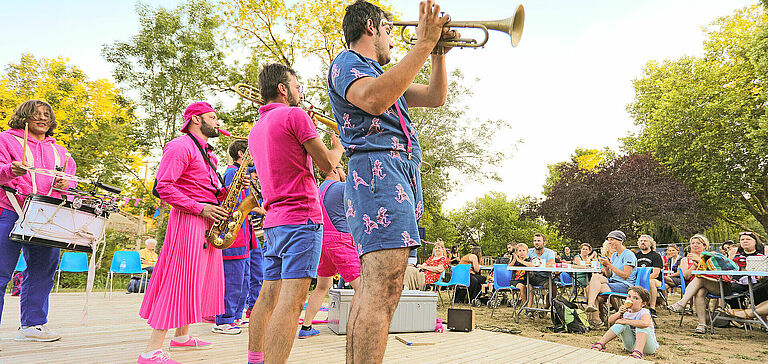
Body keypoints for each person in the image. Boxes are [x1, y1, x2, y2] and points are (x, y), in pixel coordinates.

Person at [326, 1, 456, 362]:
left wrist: (438, 54)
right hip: (377, 177)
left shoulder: (373, 71)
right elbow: (374, 98)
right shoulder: (348, 62)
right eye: (387, 30)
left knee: (375, 289)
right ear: (371, 26)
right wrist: (423, 44)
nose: (391, 40)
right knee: (383, 290)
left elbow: (435, 97)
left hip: (392, 176)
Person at [247, 63, 343, 364]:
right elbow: (328, 166)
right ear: (283, 89)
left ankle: (255, 359)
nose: (301, 92)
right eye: (297, 86)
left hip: (274, 223)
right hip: (301, 219)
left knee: (267, 298)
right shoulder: (295, 115)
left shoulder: (256, 129)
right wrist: (337, 148)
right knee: (291, 304)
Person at [137, 102, 228, 364]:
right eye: (213, 117)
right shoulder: (180, 146)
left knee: (197, 279)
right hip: (189, 219)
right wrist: (200, 209)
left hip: (206, 220)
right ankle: (151, 350)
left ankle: (182, 336)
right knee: (180, 278)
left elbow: (209, 190)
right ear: (196, 120)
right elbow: (163, 187)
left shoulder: (209, 154)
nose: (217, 122)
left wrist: (230, 189)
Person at [0, 100, 76, 347]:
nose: (42, 118)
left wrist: (67, 185)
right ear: (23, 117)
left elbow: (71, 179)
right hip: (10, 209)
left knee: (43, 271)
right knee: (1, 272)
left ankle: (32, 326)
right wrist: (11, 170)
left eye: (47, 115)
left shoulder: (61, 151)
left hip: (47, 215)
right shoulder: (6, 140)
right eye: (36, 114)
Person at [299, 164, 361, 339]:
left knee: (321, 286)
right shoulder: (342, 187)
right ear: (334, 170)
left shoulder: (317, 190)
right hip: (339, 241)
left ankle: (306, 327)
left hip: (320, 242)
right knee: (361, 287)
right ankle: (355, 329)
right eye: (341, 167)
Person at [211, 140, 264, 335]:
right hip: (235, 230)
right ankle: (224, 319)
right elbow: (233, 202)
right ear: (242, 154)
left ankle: (236, 317)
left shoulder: (241, 173)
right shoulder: (233, 172)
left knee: (244, 277)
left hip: (245, 231)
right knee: (233, 278)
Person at [585, 230, 637, 327]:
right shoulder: (614, 255)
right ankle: (591, 306)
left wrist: (610, 265)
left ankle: (596, 319)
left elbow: (626, 275)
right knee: (595, 277)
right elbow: (610, 275)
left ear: (620, 240)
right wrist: (606, 267)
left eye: (612, 240)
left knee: (591, 289)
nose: (609, 242)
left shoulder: (628, 254)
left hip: (625, 284)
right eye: (609, 240)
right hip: (614, 281)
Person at [591, 286, 658, 360]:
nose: (631, 300)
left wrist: (626, 321)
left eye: (635, 298)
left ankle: (638, 351)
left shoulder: (644, 312)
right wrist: (619, 313)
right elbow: (610, 321)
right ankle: (600, 344)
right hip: (631, 346)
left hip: (648, 347)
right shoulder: (626, 312)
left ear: (643, 303)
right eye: (629, 296)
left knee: (640, 325)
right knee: (621, 324)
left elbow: (645, 323)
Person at [667, 234, 716, 334]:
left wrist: (700, 261)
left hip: (710, 283)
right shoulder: (686, 259)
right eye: (692, 243)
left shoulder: (710, 256)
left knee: (700, 280)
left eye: (698, 243)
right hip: (693, 286)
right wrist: (694, 266)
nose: (695, 245)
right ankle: (702, 325)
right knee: (700, 292)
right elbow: (686, 276)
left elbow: (714, 272)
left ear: (705, 246)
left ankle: (682, 303)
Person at [634, 235, 664, 317]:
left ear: (650, 244)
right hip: (638, 279)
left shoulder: (655, 256)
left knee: (650, 282)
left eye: (645, 241)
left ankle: (652, 308)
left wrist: (643, 280)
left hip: (655, 280)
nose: (643, 242)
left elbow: (656, 273)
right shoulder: (636, 256)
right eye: (641, 241)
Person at [527, 233, 557, 302]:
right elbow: (523, 262)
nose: (536, 243)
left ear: (544, 242)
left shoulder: (550, 252)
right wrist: (531, 262)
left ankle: (546, 308)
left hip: (544, 277)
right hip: (531, 277)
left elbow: (551, 264)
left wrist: (540, 263)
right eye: (535, 241)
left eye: (539, 241)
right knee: (526, 281)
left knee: (553, 287)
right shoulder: (529, 252)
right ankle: (528, 309)